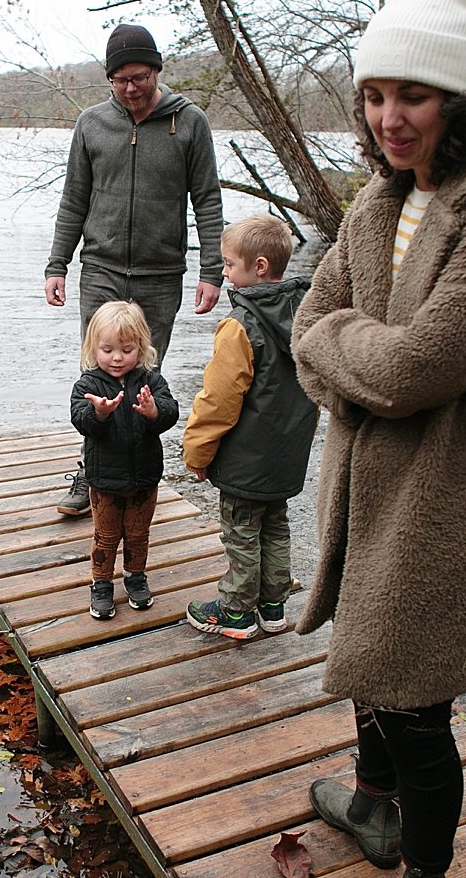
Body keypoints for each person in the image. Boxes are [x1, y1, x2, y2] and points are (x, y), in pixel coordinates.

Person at [290, 0, 466, 878]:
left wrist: (345, 350)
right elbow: (303, 327)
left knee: (412, 701)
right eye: (374, 96)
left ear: (460, 102)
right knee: (370, 655)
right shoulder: (382, 196)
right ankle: (372, 802)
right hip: (368, 477)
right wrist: (352, 352)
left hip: (447, 491)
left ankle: (424, 866)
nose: (388, 120)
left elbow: (413, 371)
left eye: (414, 97)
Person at [45, 23, 224, 517]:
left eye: (139, 77)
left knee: (145, 377)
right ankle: (91, 474)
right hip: (100, 266)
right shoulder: (92, 125)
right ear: (110, 79)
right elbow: (73, 199)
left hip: (160, 272)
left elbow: (207, 199)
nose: (130, 88)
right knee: (98, 372)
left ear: (157, 71)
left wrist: (212, 270)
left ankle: (142, 477)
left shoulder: (189, 124)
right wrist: (57, 264)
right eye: (120, 80)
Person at [181, 215, 318, 640]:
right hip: (287, 455)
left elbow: (218, 401)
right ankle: (273, 607)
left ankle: (236, 612)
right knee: (276, 526)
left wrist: (197, 452)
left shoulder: (239, 326)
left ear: (258, 267)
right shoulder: (307, 313)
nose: (223, 272)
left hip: (245, 459)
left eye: (228, 264)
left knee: (241, 532)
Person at [70, 300, 180, 619]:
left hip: (144, 478)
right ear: (94, 348)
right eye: (107, 349)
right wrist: (99, 413)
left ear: (142, 347)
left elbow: (170, 412)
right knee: (105, 537)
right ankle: (101, 583)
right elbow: (80, 420)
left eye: (127, 349)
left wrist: (153, 411)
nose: (117, 357)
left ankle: (135, 576)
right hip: (104, 481)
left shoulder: (152, 381)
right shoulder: (87, 385)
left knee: (138, 534)